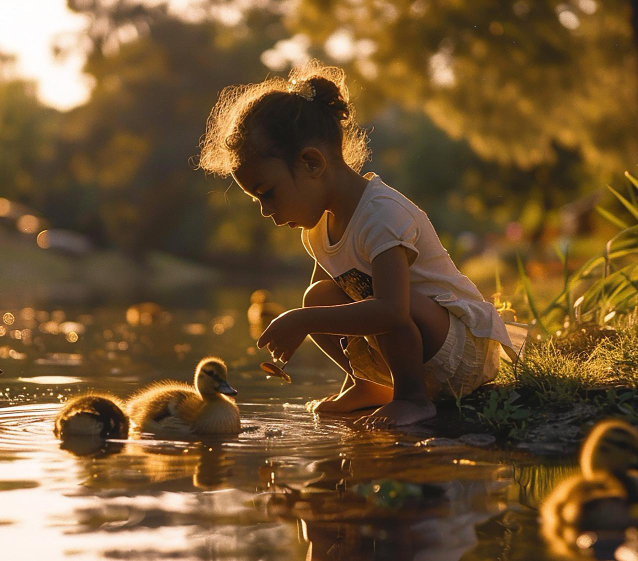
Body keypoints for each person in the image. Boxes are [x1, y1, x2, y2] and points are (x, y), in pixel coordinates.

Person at [196, 60, 517, 427]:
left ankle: (413, 398)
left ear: (311, 163)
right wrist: (308, 315)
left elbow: (393, 313)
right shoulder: (318, 230)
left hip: (459, 354)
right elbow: (334, 305)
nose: (266, 211)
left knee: (382, 303)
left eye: (268, 193)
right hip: (415, 349)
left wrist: (301, 321)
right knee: (318, 296)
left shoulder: (381, 215)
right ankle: (368, 385)